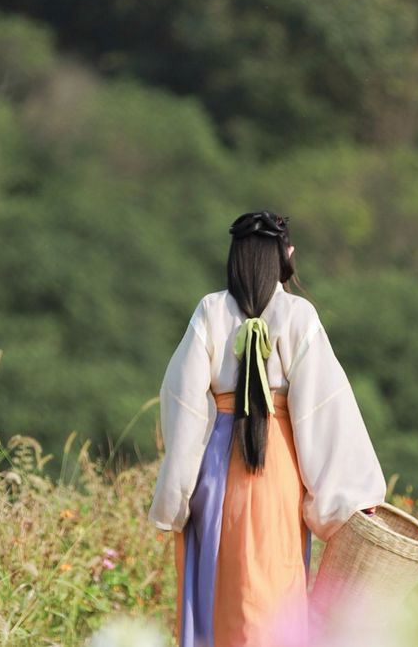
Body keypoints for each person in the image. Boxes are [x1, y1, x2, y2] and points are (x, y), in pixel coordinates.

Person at [148, 210, 387, 647]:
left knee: (215, 593)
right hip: (277, 466)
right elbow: (324, 412)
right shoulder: (299, 316)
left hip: (215, 467)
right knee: (274, 593)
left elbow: (182, 405)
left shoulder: (210, 310)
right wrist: (349, 502)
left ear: (235, 258)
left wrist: (177, 493)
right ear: (287, 256)